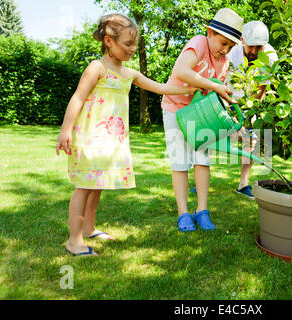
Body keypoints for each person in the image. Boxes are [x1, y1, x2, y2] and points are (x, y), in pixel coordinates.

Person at [56, 13, 199, 256]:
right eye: (127, 44)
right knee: (83, 187)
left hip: (110, 142)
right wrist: (65, 130)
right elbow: (78, 97)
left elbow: (162, 88)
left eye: (135, 44)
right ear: (108, 41)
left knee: (96, 185)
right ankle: (74, 240)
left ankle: (89, 228)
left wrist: (195, 86)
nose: (132, 49)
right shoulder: (96, 68)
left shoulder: (128, 74)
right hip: (90, 139)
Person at [161, 8, 243, 232]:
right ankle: (183, 213)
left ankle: (202, 211)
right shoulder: (198, 43)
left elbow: (213, 97)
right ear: (210, 33)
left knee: (202, 160)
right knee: (180, 162)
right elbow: (181, 71)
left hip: (198, 116)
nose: (225, 50)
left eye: (230, 47)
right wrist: (214, 85)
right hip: (175, 108)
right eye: (223, 43)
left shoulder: (224, 62)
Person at [226, 21, 278, 199]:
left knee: (251, 138)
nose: (255, 51)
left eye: (259, 47)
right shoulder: (231, 52)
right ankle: (200, 177)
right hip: (227, 97)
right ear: (242, 40)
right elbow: (222, 83)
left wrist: (250, 115)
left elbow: (261, 88)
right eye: (251, 47)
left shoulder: (270, 56)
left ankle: (243, 185)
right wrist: (233, 116)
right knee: (211, 136)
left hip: (250, 101)